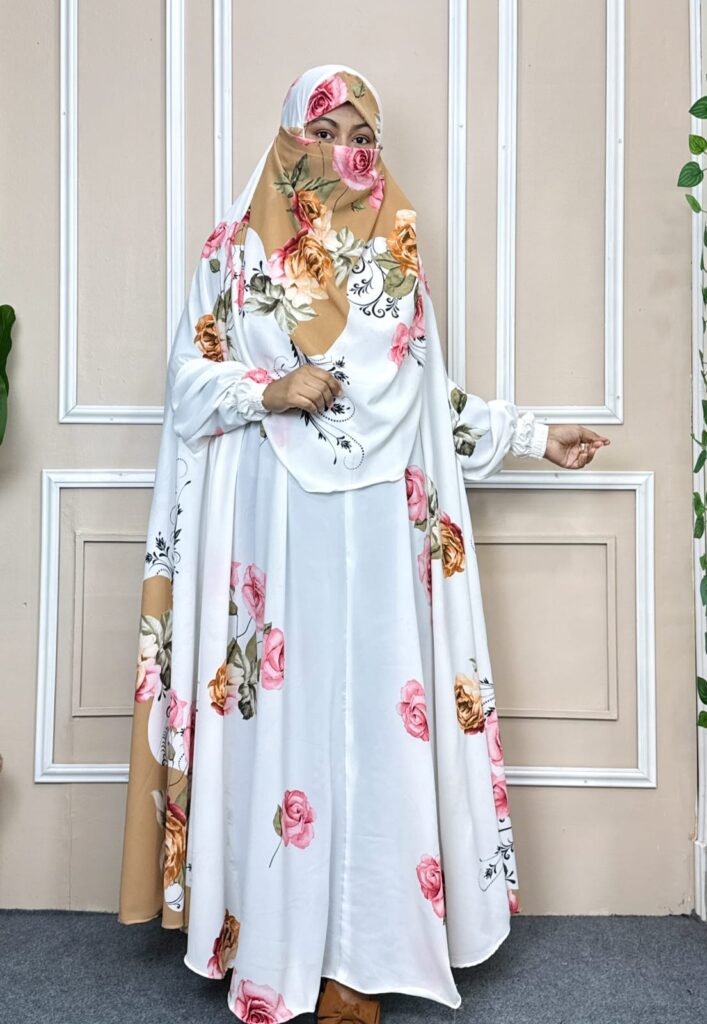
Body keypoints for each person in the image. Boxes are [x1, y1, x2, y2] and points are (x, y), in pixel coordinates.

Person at [118, 63, 609, 1024]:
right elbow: (186, 383)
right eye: (326, 128)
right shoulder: (234, 255)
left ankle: (358, 960)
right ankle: (275, 947)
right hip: (273, 531)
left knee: (377, 730)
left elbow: (425, 401)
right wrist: (268, 388)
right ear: (290, 138)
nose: (346, 148)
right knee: (286, 724)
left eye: (362, 134)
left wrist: (533, 436)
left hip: (380, 529)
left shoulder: (397, 265)